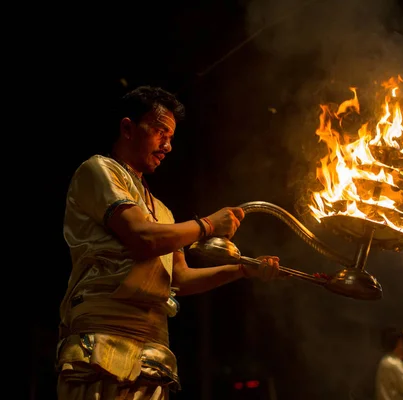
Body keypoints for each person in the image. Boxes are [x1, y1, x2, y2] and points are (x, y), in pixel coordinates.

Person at [55, 85, 281, 400]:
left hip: (152, 347)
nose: (168, 146)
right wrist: (207, 225)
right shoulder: (100, 170)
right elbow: (142, 238)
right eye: (161, 132)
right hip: (104, 333)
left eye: (171, 137)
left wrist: (243, 270)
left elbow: (179, 279)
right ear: (127, 128)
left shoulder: (162, 210)